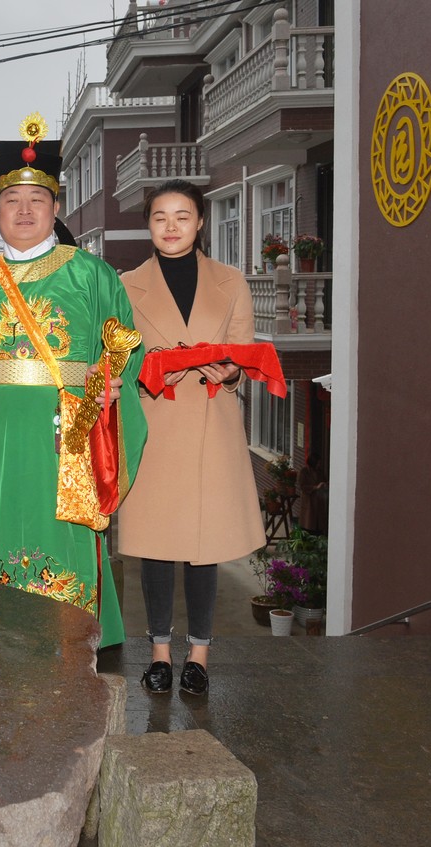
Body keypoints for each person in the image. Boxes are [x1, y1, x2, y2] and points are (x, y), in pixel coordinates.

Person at [0, 116, 147, 648]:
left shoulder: (91, 274)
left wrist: (107, 381)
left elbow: (123, 342)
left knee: (62, 544)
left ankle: (72, 642)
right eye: (12, 201)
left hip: (64, 439)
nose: (24, 211)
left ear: (55, 209)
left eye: (37, 200)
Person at [117, 179, 266, 696]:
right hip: (155, 424)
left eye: (183, 216)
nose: (171, 226)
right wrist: (153, 370)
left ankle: (199, 657)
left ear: (200, 222)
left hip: (210, 422)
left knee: (206, 547)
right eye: (160, 217)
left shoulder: (231, 281)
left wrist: (231, 371)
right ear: (148, 225)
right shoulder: (126, 285)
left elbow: (243, 349)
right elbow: (118, 358)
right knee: (155, 548)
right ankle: (159, 654)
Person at [298, 451, 328, 534]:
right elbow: (302, 486)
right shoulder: (304, 471)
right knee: (309, 523)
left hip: (319, 501)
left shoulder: (320, 472)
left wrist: (325, 485)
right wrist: (315, 487)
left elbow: (324, 481)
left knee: (319, 524)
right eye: (318, 463)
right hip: (309, 501)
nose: (319, 465)